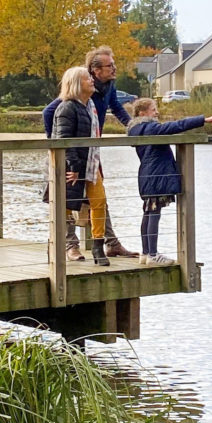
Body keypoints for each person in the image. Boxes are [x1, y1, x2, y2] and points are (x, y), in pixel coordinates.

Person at [42, 45, 136, 257]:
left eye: (114, 64)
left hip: (91, 151)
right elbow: (48, 113)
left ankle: (111, 243)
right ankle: (70, 244)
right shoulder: (79, 89)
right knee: (66, 197)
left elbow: (116, 108)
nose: (114, 69)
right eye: (109, 65)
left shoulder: (109, 86)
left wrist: (134, 126)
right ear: (95, 70)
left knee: (98, 197)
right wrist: (55, 143)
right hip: (70, 153)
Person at [127, 97, 212, 264]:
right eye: (153, 109)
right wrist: (202, 120)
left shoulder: (136, 129)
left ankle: (145, 253)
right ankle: (153, 255)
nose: (157, 112)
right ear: (142, 113)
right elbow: (176, 126)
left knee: (148, 211)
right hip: (157, 174)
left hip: (147, 174)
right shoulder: (151, 128)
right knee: (154, 212)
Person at [50, 66, 109, 265]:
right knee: (66, 206)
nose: (92, 80)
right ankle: (65, 246)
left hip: (90, 164)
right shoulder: (67, 107)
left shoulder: (90, 105)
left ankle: (98, 246)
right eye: (87, 79)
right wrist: (73, 167)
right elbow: (64, 139)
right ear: (76, 84)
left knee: (99, 201)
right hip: (70, 167)